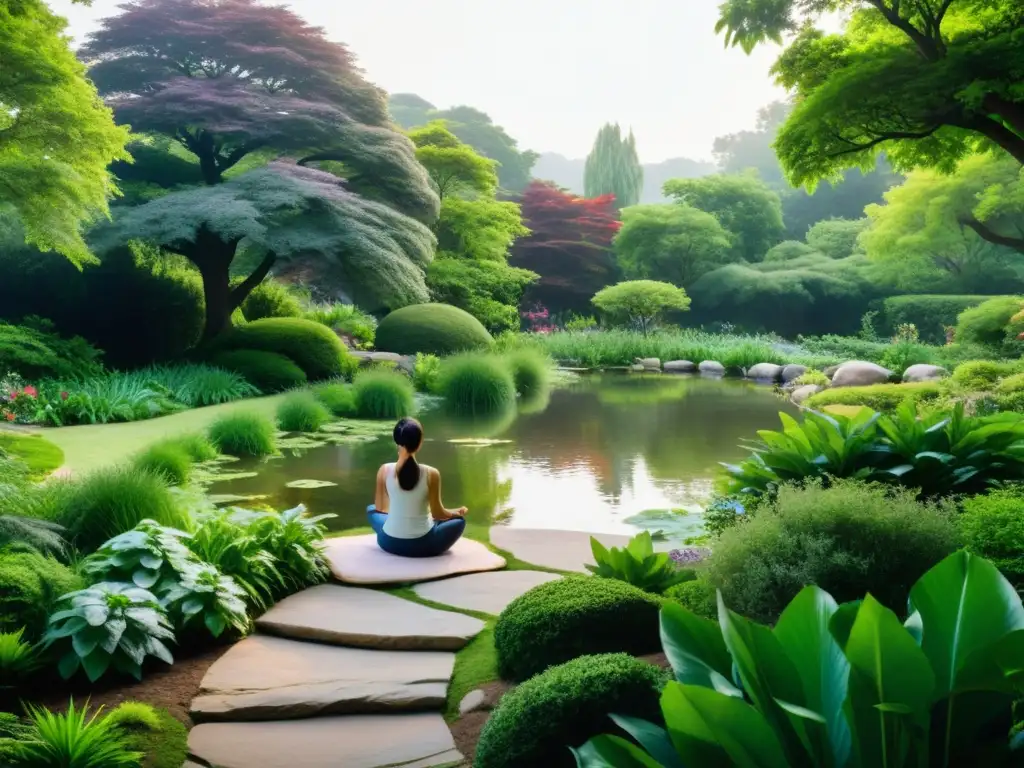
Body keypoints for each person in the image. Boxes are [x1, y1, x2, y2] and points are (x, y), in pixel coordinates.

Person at [367, 417, 468, 558]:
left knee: (371, 510)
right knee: (459, 522)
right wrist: (456, 512)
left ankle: (396, 526)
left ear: (396, 440)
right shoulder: (431, 473)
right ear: (419, 443)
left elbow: (380, 508)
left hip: (389, 542)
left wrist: (401, 509)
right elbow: (437, 514)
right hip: (423, 545)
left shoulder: (384, 470)